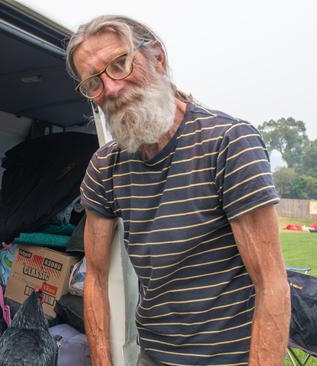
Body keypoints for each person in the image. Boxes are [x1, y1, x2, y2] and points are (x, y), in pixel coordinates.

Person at [66, 15, 291, 366]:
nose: (110, 88)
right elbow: (94, 276)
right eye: (93, 82)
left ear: (158, 58)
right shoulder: (105, 166)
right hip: (152, 356)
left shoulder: (229, 143)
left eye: (119, 64)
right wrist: (101, 360)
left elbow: (271, 283)